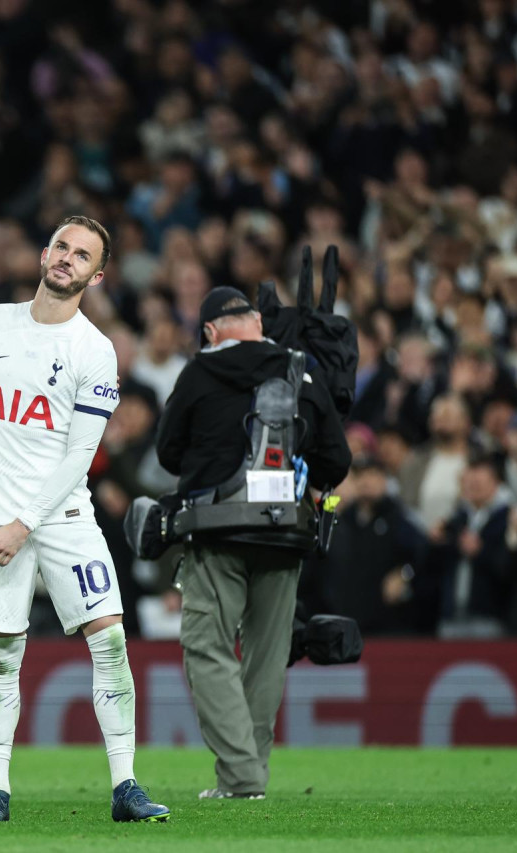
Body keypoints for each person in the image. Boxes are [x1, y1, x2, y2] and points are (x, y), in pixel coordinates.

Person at [0, 216, 169, 824]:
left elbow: (81, 453)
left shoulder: (95, 351)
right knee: (2, 655)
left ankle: (126, 786)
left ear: (97, 275)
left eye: (81, 255)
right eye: (60, 246)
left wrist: (24, 523)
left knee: (109, 641)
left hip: (62, 515)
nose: (65, 258)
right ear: (46, 253)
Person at [156, 286, 350, 799]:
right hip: (286, 532)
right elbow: (337, 461)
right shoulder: (300, 372)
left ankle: (241, 777)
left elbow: (170, 452)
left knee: (208, 648)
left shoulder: (199, 372)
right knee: (267, 655)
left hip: (218, 528)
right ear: (258, 323)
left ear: (211, 332)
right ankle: (246, 777)